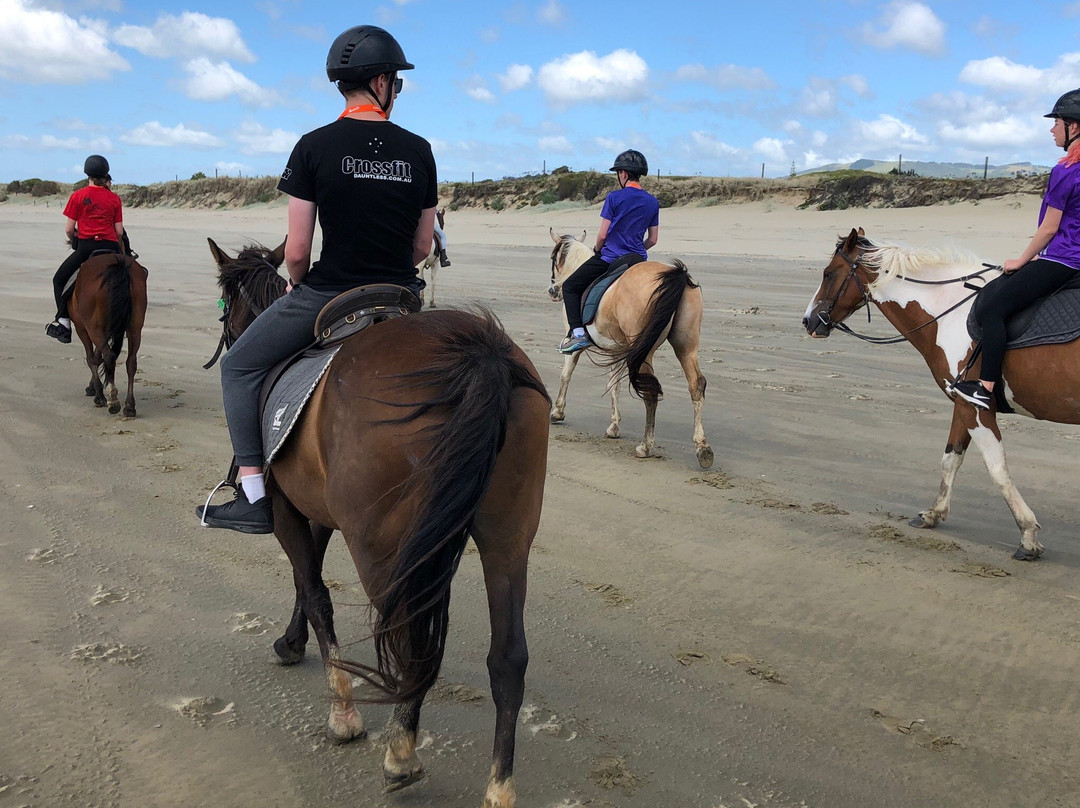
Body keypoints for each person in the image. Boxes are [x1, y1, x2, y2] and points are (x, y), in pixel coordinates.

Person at [197, 24, 437, 533]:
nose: (397, 90)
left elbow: (298, 251)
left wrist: (296, 283)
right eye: (396, 82)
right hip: (400, 297)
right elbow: (421, 248)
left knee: (238, 366)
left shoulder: (313, 146)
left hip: (331, 294)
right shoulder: (419, 150)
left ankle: (253, 495)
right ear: (380, 82)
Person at [950, 89, 1080, 411]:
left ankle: (985, 387)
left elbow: (1049, 228)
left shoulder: (1065, 171)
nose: (1052, 129)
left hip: (1065, 260)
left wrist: (1022, 260)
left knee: (993, 307)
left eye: (1057, 123)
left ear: (1073, 127)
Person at [559, 149, 659, 353]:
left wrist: (597, 250)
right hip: (637, 260)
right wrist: (637, 249)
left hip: (611, 258)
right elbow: (653, 239)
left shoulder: (614, 197)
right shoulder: (652, 201)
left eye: (619, 173)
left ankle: (578, 334)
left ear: (623, 173)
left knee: (569, 286)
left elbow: (603, 236)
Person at [46, 155, 124, 343]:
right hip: (111, 247)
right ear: (105, 175)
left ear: (87, 174)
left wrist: (75, 239)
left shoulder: (78, 196)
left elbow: (69, 229)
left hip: (86, 248)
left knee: (58, 280)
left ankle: (64, 324)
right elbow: (119, 232)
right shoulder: (114, 198)